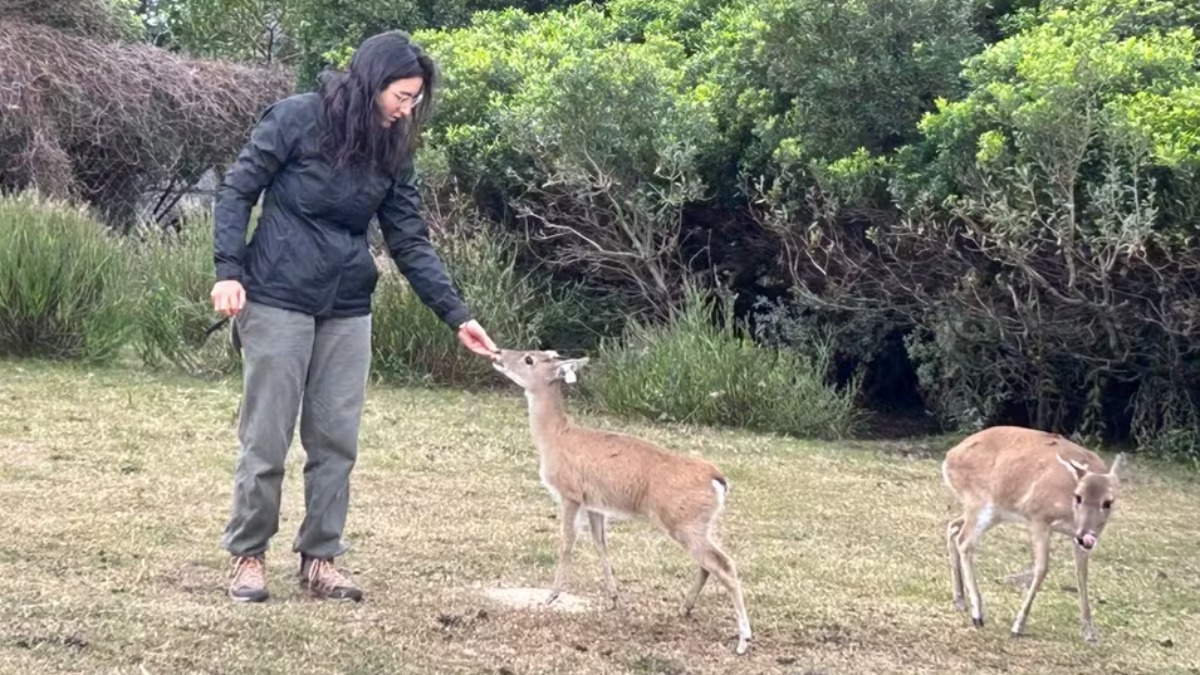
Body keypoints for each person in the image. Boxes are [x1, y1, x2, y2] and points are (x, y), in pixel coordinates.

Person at [209, 30, 497, 603]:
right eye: (402, 95)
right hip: (276, 296)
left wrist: (456, 314)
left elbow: (410, 242)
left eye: (416, 99)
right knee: (266, 438)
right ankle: (248, 556)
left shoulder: (394, 150)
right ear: (372, 81)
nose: (408, 108)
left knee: (336, 441)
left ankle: (320, 559)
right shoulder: (296, 118)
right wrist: (228, 270)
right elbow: (237, 192)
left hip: (347, 306)